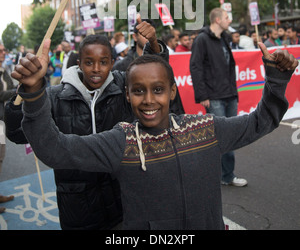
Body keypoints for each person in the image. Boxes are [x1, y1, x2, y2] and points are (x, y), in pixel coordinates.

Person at [9, 41, 297, 230]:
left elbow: (261, 121)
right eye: (138, 91)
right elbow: (54, 149)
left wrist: (276, 80)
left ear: (172, 92)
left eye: (158, 89)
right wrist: (34, 95)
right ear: (127, 95)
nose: (148, 100)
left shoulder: (205, 130)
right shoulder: (120, 142)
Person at [4, 17, 165, 230]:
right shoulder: (55, 96)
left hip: (122, 201)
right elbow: (18, 133)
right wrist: (29, 90)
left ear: (112, 62)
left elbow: (151, 71)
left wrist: (154, 43)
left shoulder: (122, 87)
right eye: (89, 62)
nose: (96, 69)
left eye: (103, 62)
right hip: (78, 207)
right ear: (79, 63)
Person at [190, 8, 247, 186]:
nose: (229, 20)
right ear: (216, 20)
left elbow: (229, 67)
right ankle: (225, 175)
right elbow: (196, 67)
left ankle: (224, 174)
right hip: (214, 97)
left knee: (229, 135)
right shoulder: (202, 40)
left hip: (229, 94)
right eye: (226, 17)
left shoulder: (224, 38)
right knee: (221, 136)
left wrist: (234, 93)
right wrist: (203, 95)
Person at [0, 43, 16, 213]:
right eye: (0, 51)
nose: (3, 53)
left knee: (0, 156)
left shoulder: (3, 70)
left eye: (4, 50)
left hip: (2, 121)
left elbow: (11, 86)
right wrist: (14, 92)